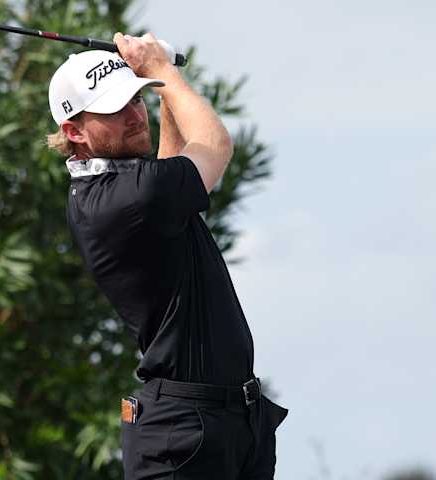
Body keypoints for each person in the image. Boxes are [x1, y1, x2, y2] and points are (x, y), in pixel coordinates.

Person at [46, 32, 288, 480]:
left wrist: (160, 87)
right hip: (183, 435)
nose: (134, 116)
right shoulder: (127, 198)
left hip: (228, 423)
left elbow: (169, 164)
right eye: (114, 110)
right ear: (74, 132)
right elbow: (214, 146)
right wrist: (162, 72)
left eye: (137, 100)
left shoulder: (125, 188)